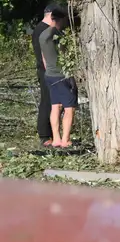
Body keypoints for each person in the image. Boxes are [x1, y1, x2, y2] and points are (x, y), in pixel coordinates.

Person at [38, 11, 77, 148]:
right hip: (61, 75)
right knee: (69, 108)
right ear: (60, 19)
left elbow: (43, 56)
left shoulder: (43, 34)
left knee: (55, 106)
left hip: (49, 74)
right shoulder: (57, 35)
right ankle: (66, 140)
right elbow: (65, 55)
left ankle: (56, 139)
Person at [31, 4, 64, 147]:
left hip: (49, 70)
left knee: (53, 102)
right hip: (46, 71)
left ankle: (51, 133)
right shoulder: (42, 31)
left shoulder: (43, 29)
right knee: (47, 101)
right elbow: (44, 55)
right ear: (51, 16)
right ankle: (44, 135)